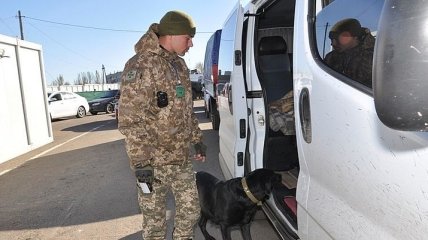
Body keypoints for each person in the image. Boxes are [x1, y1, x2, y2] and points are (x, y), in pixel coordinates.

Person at [118, 10, 206, 240]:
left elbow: (186, 110)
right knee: (154, 224)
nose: (191, 43)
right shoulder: (141, 65)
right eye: (188, 37)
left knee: (191, 213)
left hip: (180, 160)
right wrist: (141, 163)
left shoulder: (179, 66)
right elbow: (130, 118)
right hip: (151, 165)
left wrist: (196, 139)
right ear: (173, 35)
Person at [324, 18, 375, 88]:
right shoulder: (331, 57)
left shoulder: (375, 56)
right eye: (332, 39)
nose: (333, 43)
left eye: (338, 38)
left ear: (355, 37)